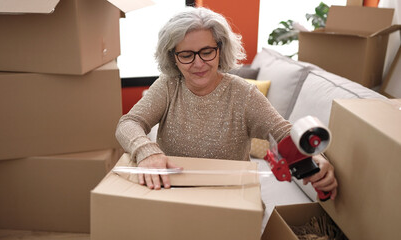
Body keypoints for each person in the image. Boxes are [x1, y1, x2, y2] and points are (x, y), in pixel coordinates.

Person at [115, 7, 338, 199]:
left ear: (220, 49)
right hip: (171, 192)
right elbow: (128, 123)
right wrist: (148, 151)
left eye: (206, 51)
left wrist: (316, 156)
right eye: (186, 55)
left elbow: (283, 132)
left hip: (229, 198)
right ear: (173, 56)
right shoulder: (168, 86)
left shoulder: (244, 94)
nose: (198, 63)